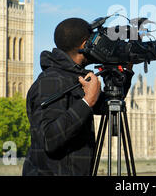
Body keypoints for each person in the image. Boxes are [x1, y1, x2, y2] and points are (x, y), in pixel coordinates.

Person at [22, 18, 134, 176]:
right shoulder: (50, 81)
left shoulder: (74, 78)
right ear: (84, 44)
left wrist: (127, 69)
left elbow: (109, 104)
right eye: (95, 40)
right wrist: (87, 101)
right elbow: (49, 139)